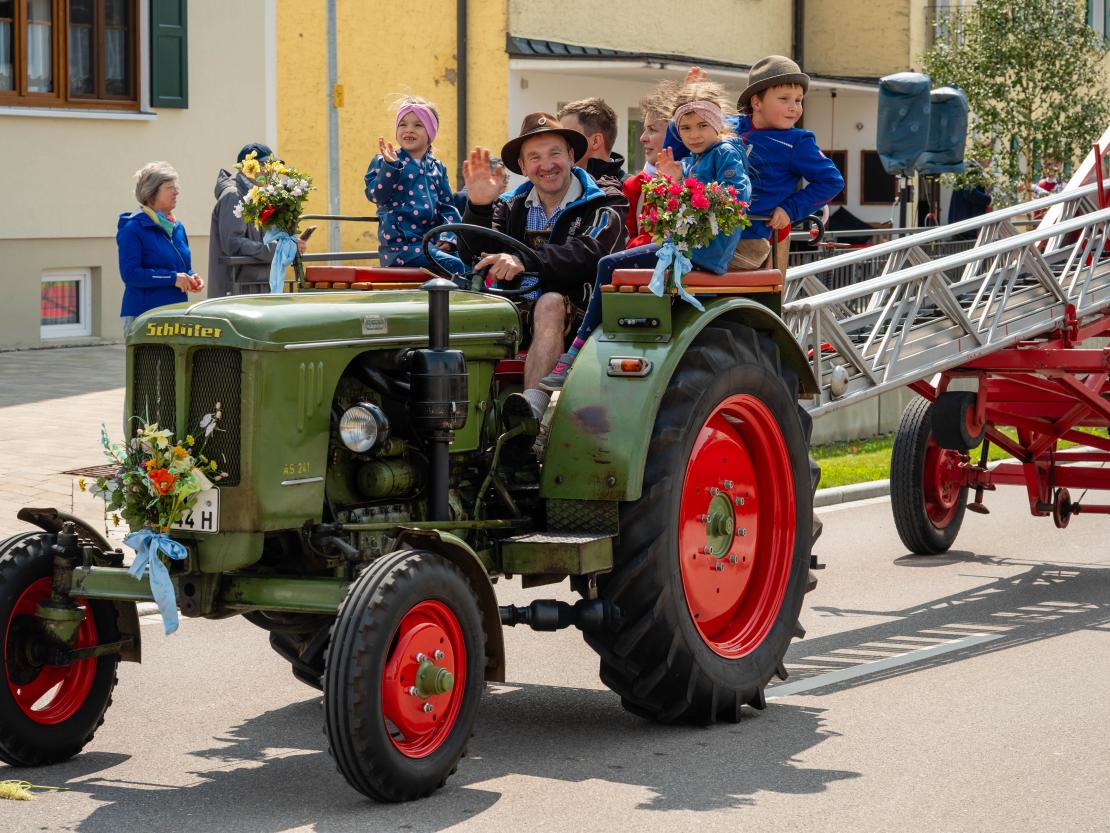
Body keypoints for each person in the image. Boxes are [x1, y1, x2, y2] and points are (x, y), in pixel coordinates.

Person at [540, 82, 751, 390]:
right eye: (687, 127)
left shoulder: (724, 152)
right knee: (613, 265)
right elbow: (674, 210)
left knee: (608, 266)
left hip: (704, 251)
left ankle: (576, 352)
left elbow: (737, 197)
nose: (694, 134)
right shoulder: (693, 160)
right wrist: (674, 184)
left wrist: (688, 190)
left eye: (703, 125)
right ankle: (589, 357)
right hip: (684, 247)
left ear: (718, 125)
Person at [459, 113, 628, 419]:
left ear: (571, 156)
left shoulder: (605, 201)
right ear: (523, 167)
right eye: (534, 157)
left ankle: (530, 416)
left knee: (549, 303)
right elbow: (479, 256)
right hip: (515, 312)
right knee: (458, 307)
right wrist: (480, 207)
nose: (546, 165)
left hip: (581, 317)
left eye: (554, 153)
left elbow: (592, 253)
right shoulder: (510, 205)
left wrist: (524, 261)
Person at [665, 57, 844, 274]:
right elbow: (678, 151)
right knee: (656, 261)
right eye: (784, 99)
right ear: (756, 103)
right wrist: (687, 102)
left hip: (749, 241)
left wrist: (790, 209)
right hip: (705, 234)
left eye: (798, 100)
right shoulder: (727, 126)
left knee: (669, 267)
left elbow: (831, 181)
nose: (794, 108)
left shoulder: (797, 142)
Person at [364, 96, 465, 275]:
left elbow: (448, 208)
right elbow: (375, 195)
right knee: (455, 266)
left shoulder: (437, 167)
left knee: (471, 263)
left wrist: (448, 237)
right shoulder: (385, 161)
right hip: (401, 248)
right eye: (403, 124)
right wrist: (391, 168)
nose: (409, 130)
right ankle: (456, 303)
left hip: (431, 245)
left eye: (418, 125)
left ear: (431, 133)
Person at [208, 142, 308, 297]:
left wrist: (288, 243)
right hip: (236, 294)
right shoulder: (233, 195)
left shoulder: (259, 194)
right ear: (247, 167)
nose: (270, 172)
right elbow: (233, 243)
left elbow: (264, 238)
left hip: (254, 289)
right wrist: (276, 250)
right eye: (265, 165)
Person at [116, 162, 204, 335]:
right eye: (170, 187)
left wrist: (192, 277)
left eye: (176, 187)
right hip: (145, 316)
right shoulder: (132, 228)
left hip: (176, 314)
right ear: (151, 194)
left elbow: (182, 268)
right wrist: (173, 278)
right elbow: (130, 275)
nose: (176, 192)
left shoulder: (178, 227)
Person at [624, 84, 678, 248]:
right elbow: (624, 245)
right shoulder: (635, 186)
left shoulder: (704, 178)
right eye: (644, 129)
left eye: (652, 130)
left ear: (676, 136)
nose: (642, 138)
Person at [557, 98, 630, 189]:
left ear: (596, 141)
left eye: (569, 136)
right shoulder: (556, 186)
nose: (560, 143)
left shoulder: (632, 191)